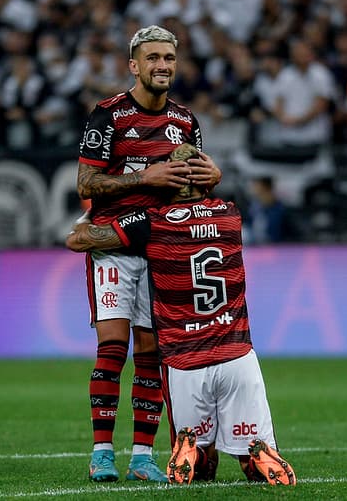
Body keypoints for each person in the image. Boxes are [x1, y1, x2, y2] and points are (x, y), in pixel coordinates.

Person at [67, 143, 296, 486]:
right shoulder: (230, 215)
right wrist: (213, 179)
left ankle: (193, 452)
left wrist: (89, 223)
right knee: (254, 456)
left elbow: (78, 241)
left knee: (201, 468)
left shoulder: (151, 223)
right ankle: (256, 458)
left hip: (184, 362)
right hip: (237, 356)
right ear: (206, 182)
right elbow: (208, 195)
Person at [76, 25, 221, 482]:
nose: (162, 66)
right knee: (112, 347)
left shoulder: (185, 123)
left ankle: (141, 456)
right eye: (153, 58)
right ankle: (102, 452)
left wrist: (212, 177)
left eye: (169, 59)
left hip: (163, 248)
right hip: (113, 246)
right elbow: (86, 184)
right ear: (134, 65)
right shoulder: (108, 117)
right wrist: (146, 178)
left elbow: (194, 190)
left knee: (151, 354)